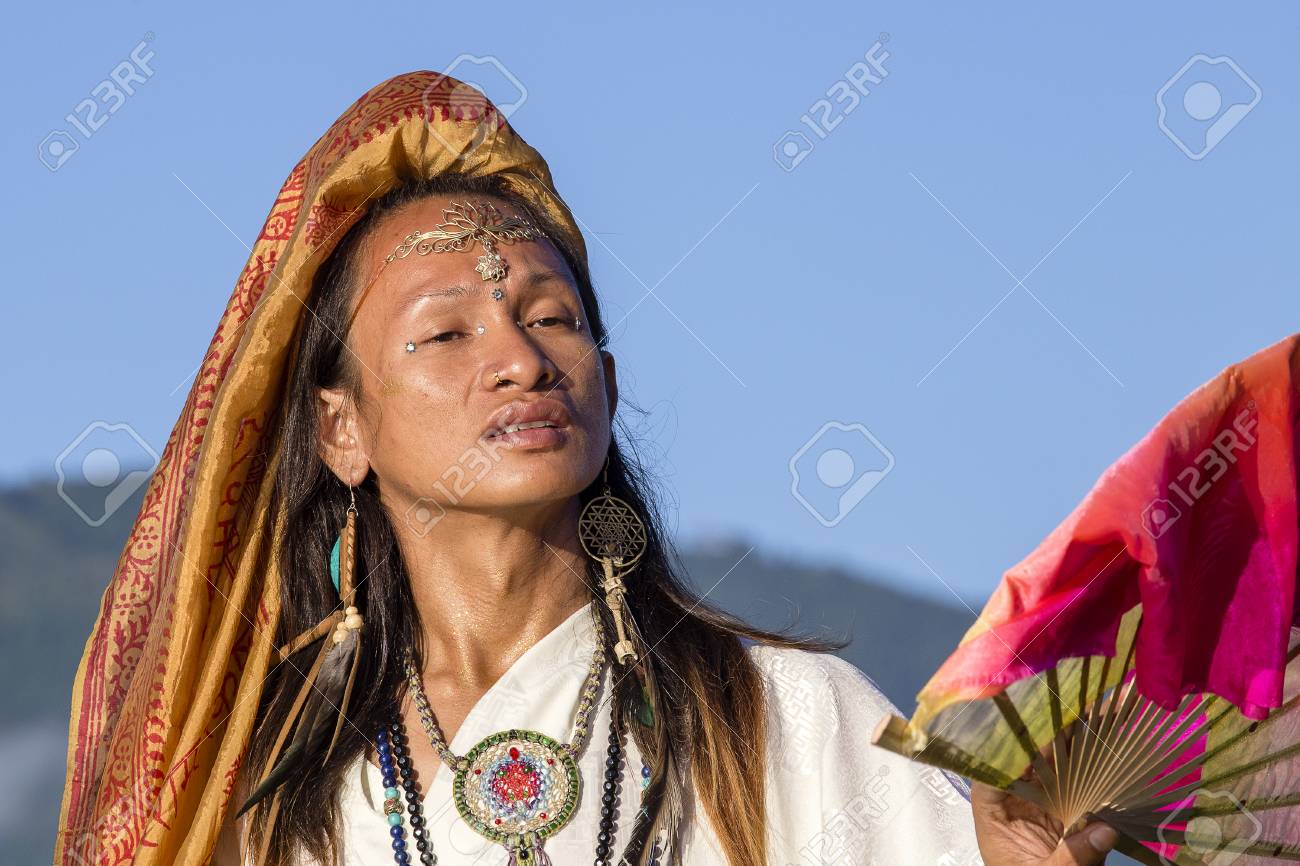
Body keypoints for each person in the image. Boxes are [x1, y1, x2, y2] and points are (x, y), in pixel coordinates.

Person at [55, 71, 1119, 866]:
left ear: (603, 382)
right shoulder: (271, 787)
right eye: (446, 334)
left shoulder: (783, 716)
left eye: (550, 318)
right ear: (341, 430)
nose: (520, 360)